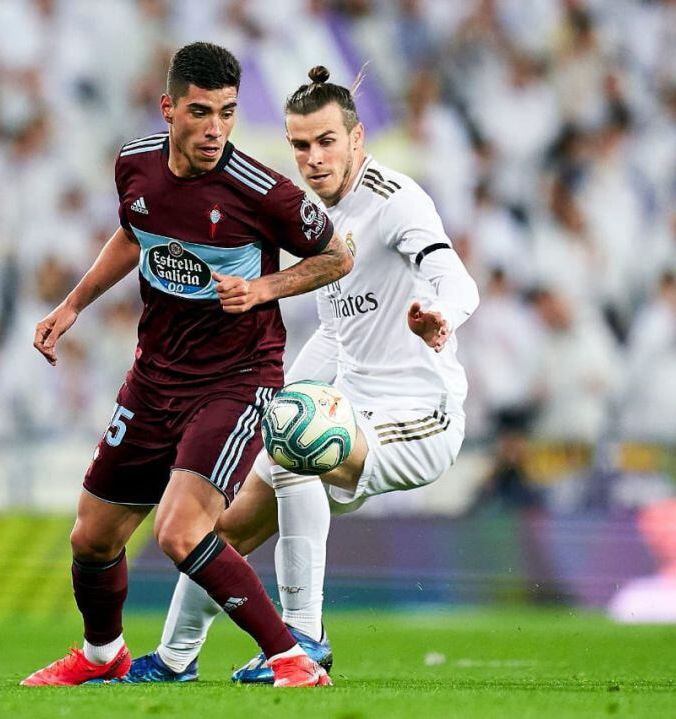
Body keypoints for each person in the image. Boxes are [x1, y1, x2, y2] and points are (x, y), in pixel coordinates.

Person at [123, 66, 479, 683]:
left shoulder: (396, 202)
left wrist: (440, 316)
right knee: (224, 526)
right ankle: (175, 660)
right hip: (350, 405)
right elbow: (337, 333)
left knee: (295, 444)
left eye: (326, 142)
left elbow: (456, 278)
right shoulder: (312, 214)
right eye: (300, 145)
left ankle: (304, 641)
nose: (313, 159)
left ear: (357, 139)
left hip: (420, 415)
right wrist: (275, 400)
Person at [19, 43, 352, 689]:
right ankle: (101, 653)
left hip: (236, 378)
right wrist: (73, 303)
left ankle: (292, 659)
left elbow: (336, 257)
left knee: (178, 530)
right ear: (169, 107)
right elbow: (133, 231)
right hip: (156, 376)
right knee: (91, 537)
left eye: (227, 113)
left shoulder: (263, 190)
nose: (215, 129)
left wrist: (265, 289)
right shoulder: (135, 163)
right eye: (201, 112)